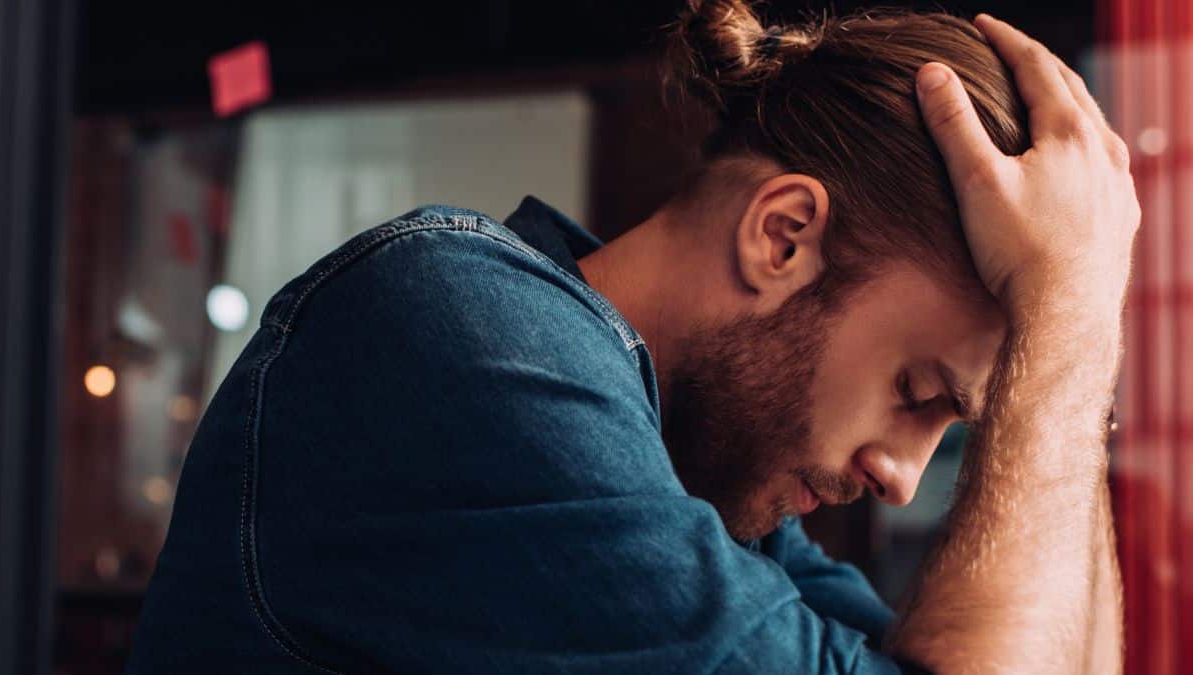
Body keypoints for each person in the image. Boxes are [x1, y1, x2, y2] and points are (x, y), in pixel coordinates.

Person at [126, 3, 1138, 674]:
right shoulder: (456, 338)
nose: (903, 478)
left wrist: (1074, 343)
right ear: (782, 236)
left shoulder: (694, 484)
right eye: (918, 391)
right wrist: (1071, 312)